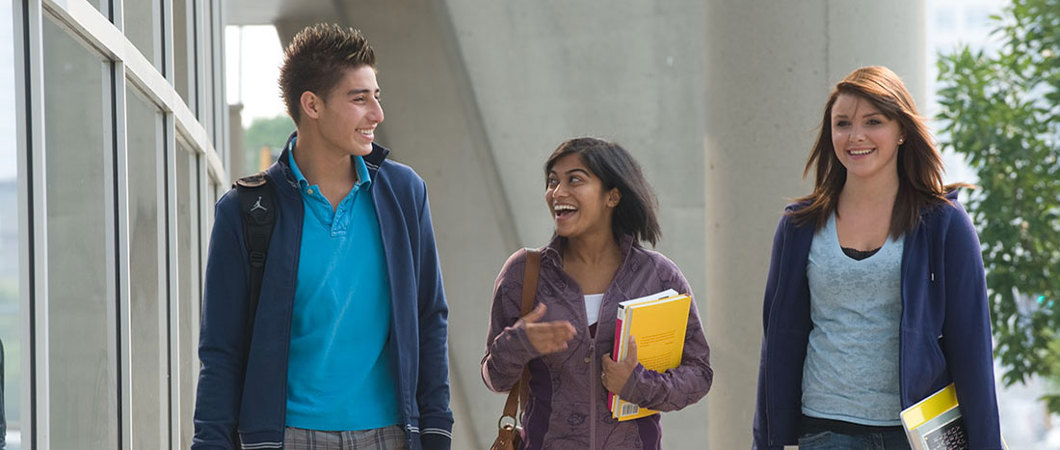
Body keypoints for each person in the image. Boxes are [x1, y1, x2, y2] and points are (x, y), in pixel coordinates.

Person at [193, 24, 453, 450]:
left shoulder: (404, 194)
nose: (377, 114)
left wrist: (436, 431)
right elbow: (221, 350)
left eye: (376, 95)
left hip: (390, 435)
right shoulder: (244, 211)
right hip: (282, 438)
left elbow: (430, 317)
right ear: (311, 105)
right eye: (359, 98)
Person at [752, 66, 1004, 449]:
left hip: (915, 433)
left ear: (902, 130)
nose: (856, 136)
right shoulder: (799, 227)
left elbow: (972, 347)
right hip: (824, 430)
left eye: (874, 121)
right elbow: (778, 344)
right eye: (842, 124)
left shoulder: (943, 224)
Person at [481, 137, 713, 449]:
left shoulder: (658, 277)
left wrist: (636, 385)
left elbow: (699, 374)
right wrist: (518, 343)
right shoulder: (525, 273)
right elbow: (494, 378)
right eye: (552, 181)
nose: (557, 192)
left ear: (612, 196)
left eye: (574, 179)